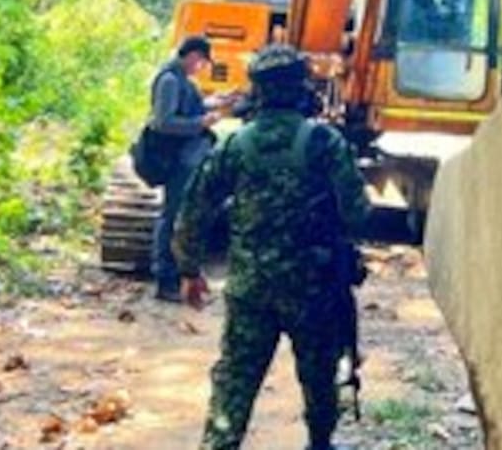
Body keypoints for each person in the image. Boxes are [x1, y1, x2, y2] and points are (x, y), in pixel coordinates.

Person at [173, 44, 370, 450]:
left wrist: (189, 271)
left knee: (236, 380)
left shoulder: (234, 145)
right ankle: (320, 444)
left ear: (257, 91)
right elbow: (357, 214)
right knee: (319, 375)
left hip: (251, 290)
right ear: (302, 87)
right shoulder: (325, 143)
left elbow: (193, 211)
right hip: (313, 288)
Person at [148, 35, 222, 302]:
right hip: (176, 160)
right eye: (201, 62)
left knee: (181, 215)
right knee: (172, 217)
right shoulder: (169, 80)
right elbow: (163, 122)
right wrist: (201, 123)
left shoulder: (182, 81)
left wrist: (214, 104)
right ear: (192, 56)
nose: (200, 67)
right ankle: (165, 279)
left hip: (186, 159)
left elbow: (187, 108)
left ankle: (177, 278)